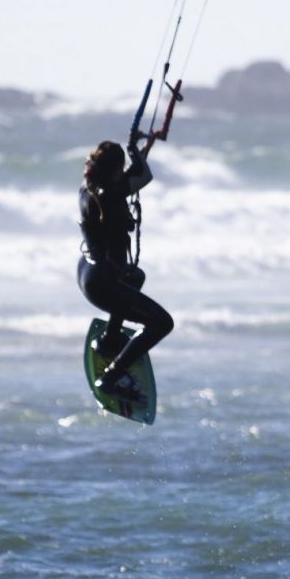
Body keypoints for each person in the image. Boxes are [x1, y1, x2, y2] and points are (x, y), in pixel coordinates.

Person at [77, 138, 174, 400]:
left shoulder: (90, 188)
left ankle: (110, 340)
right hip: (103, 284)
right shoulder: (110, 195)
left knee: (136, 276)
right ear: (114, 172)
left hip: (88, 272)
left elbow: (130, 177)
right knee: (162, 324)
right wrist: (134, 151)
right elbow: (143, 176)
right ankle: (110, 378)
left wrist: (138, 152)